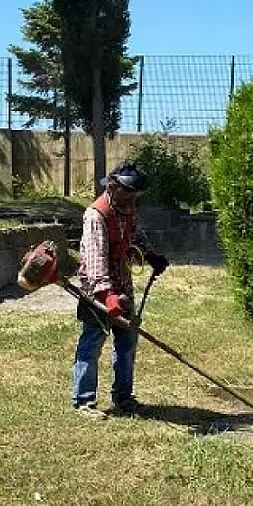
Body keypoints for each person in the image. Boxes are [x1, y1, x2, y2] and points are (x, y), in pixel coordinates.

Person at [72, 161, 169, 419]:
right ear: (113, 187)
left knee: (127, 342)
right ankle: (84, 401)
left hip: (122, 286)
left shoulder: (126, 209)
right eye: (130, 193)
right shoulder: (96, 216)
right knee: (92, 342)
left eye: (137, 195)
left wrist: (150, 255)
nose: (133, 199)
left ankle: (123, 397)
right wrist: (107, 296)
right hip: (98, 291)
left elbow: (135, 235)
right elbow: (95, 262)